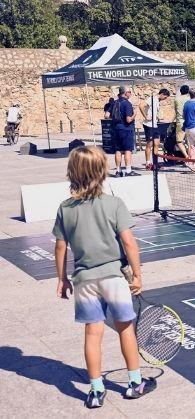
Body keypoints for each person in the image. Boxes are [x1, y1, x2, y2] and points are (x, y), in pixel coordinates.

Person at [53, 146, 157, 409]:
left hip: (84, 278)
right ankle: (135, 383)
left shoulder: (65, 208)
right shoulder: (114, 204)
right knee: (126, 330)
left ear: (72, 173)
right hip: (114, 276)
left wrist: (61, 278)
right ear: (102, 172)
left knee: (92, 334)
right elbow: (130, 243)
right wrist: (137, 274)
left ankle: (96, 390)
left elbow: (60, 247)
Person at [139, 89, 171, 170]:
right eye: (165, 97)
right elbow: (141, 105)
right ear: (162, 94)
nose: (165, 99)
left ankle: (155, 162)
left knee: (157, 143)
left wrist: (157, 117)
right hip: (148, 125)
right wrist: (146, 116)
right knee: (149, 144)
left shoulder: (157, 101)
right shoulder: (152, 99)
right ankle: (148, 163)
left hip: (155, 125)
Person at [111, 86, 139, 177]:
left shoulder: (114, 102)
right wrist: (134, 114)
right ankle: (128, 170)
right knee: (127, 150)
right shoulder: (127, 103)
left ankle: (118, 171)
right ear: (125, 93)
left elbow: (106, 115)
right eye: (129, 92)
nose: (130, 93)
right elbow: (128, 120)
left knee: (118, 150)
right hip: (126, 129)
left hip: (116, 129)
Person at [173, 85, 190, 159]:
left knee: (179, 141)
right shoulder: (190, 99)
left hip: (180, 122)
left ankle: (186, 156)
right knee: (189, 142)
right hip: (189, 122)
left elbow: (176, 111)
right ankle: (191, 157)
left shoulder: (177, 99)